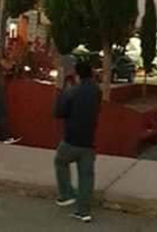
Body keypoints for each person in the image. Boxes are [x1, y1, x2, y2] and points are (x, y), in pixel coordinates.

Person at [53, 60, 102, 223]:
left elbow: (59, 112)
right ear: (91, 73)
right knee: (86, 176)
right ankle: (84, 212)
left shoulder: (72, 91)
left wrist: (61, 90)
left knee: (60, 161)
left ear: (78, 75)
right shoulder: (97, 91)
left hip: (71, 139)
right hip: (89, 141)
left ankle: (66, 194)